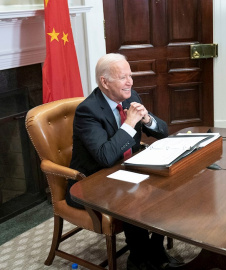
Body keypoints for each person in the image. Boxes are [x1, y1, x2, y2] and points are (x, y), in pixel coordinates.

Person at [66, 53, 174, 270]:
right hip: (92, 182)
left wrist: (147, 120)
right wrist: (130, 123)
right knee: (133, 197)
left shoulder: (130, 95)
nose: (130, 82)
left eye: (130, 76)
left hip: (127, 169)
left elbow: (164, 131)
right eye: (123, 77)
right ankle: (139, 260)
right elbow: (105, 157)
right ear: (104, 82)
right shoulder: (88, 111)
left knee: (170, 184)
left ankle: (155, 247)